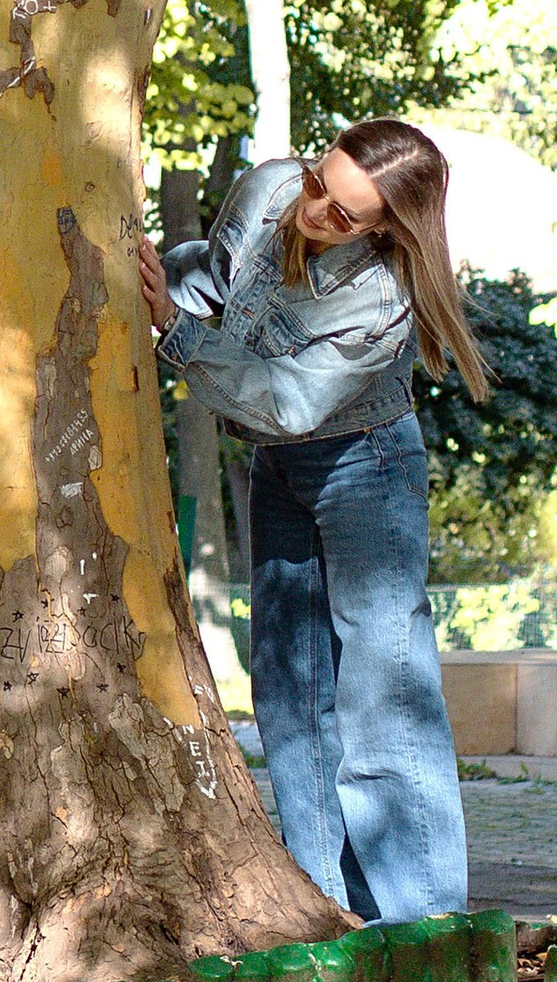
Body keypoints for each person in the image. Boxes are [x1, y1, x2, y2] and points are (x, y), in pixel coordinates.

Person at [136, 121, 490, 927]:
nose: (317, 209)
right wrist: (161, 284)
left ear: (385, 231)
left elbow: (288, 400)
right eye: (319, 182)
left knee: (382, 694)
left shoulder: (384, 300)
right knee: (289, 687)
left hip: (364, 467)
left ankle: (425, 930)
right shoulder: (269, 187)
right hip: (279, 467)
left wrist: (176, 333)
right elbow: (217, 279)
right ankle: (324, 912)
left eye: (345, 213)